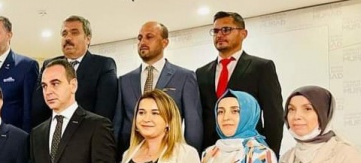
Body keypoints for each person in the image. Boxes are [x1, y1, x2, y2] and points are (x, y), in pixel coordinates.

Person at [196, 11, 283, 154]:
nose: (219, 35)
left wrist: (270, 154)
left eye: (226, 30)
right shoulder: (201, 73)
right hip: (210, 152)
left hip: (249, 151)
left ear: (243, 33)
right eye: (216, 31)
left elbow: (273, 115)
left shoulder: (261, 67)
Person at [114, 21, 202, 154]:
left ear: (164, 42)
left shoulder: (184, 77)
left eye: (149, 37)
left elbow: (193, 122)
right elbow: (118, 123)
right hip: (131, 153)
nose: (142, 42)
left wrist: (191, 156)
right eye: (140, 38)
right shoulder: (124, 80)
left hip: (170, 154)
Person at [33, 15, 117, 126]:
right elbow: (38, 108)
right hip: (52, 131)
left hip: (88, 132)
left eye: (74, 33)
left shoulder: (104, 65)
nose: (67, 38)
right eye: (64, 34)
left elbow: (104, 112)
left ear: (88, 39)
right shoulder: (48, 65)